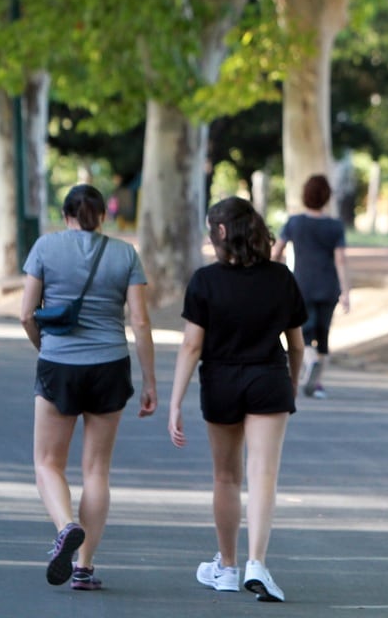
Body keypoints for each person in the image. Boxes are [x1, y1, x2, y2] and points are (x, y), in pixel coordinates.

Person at [19, 183, 157, 591]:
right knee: (97, 469)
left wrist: (45, 347)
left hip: (59, 364)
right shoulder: (124, 253)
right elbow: (141, 322)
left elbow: (26, 314)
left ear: (66, 215)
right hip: (110, 366)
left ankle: (65, 526)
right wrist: (150, 380)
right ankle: (84, 567)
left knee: (47, 463)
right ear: (102, 217)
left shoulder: (45, 248)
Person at [168, 197, 306, 603]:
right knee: (263, 475)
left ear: (222, 233)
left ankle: (226, 567)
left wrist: (175, 401)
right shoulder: (281, 278)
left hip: (221, 381)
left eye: (212, 229)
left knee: (226, 476)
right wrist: (292, 383)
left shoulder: (205, 281)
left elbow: (192, 346)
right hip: (268, 380)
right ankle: (257, 563)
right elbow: (296, 345)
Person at [272, 174, 350, 398]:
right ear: (327, 198)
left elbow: (277, 251)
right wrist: (346, 291)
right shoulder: (335, 226)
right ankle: (316, 382)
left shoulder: (294, 223)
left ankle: (311, 361)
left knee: (304, 333)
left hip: (301, 285)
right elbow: (341, 260)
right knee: (323, 334)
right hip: (328, 286)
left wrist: (274, 275)